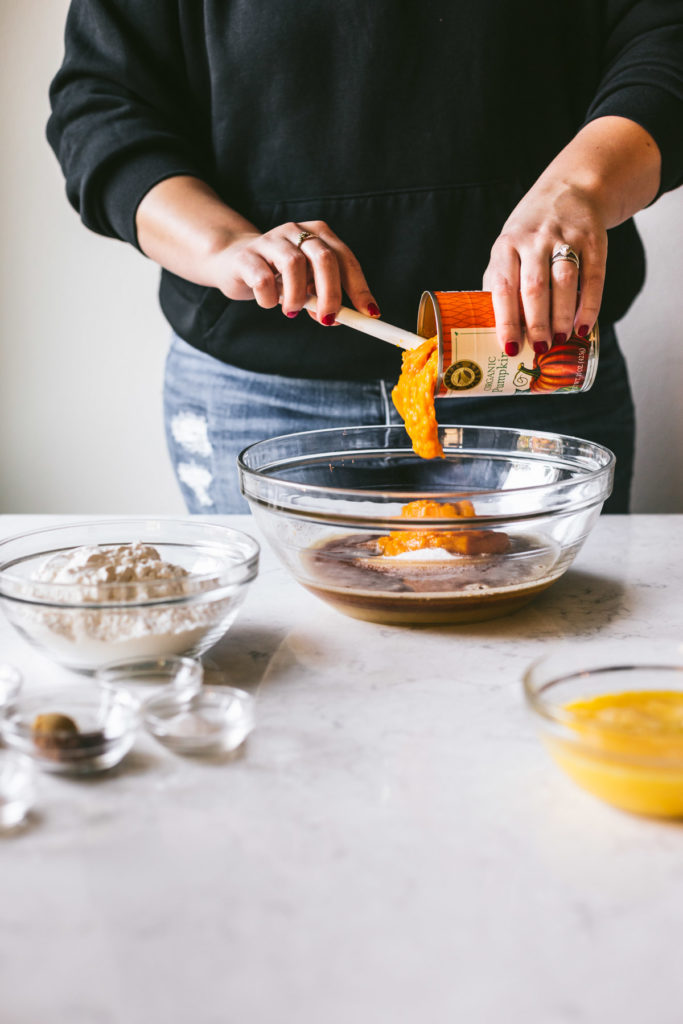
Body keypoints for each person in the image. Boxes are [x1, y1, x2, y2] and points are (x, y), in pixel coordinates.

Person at [47, 1, 683, 514]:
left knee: (547, 652)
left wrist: (579, 190)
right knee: (286, 664)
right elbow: (103, 101)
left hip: (536, 374)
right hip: (258, 395)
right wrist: (225, 245)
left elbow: (665, 38)